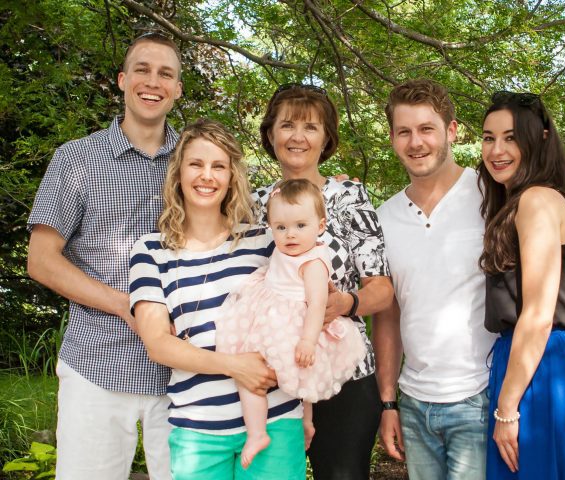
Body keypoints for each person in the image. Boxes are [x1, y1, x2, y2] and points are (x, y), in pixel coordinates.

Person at [373, 79, 565, 480]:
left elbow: (547, 273)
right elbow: (388, 313)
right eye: (404, 131)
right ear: (393, 138)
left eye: (427, 128)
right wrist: (388, 403)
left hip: (485, 393)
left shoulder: (493, 194)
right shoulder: (383, 218)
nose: (416, 142)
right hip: (416, 400)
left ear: (451, 131)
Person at [26, 32, 183, 480]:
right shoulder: (76, 159)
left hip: (184, 371)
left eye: (165, 74)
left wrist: (314, 184)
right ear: (122, 80)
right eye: (142, 70)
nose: (152, 81)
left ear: (177, 89)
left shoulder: (196, 161)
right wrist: (126, 304)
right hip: (97, 364)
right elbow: (41, 260)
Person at [129, 119, 306, 479]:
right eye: (196, 164)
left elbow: (307, 294)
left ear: (231, 178)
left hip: (276, 419)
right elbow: (159, 344)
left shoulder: (265, 242)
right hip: (198, 428)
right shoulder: (151, 251)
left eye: (218, 166)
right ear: (178, 173)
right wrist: (234, 365)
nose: (206, 176)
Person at [254, 83, 394, 479]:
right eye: (287, 125)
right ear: (270, 134)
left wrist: (344, 304)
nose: (298, 137)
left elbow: (381, 290)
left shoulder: (348, 196)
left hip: (342, 372)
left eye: (311, 127)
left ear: (326, 138)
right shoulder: (252, 202)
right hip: (273, 373)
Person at [479, 91, 565, 479]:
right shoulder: (524, 201)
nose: (497, 149)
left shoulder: (536, 200)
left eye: (510, 137)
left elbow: (539, 315)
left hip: (541, 369)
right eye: (489, 137)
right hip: (541, 363)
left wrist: (507, 409)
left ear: (539, 139)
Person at [216, 178, 366, 468]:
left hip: (294, 328)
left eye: (300, 226)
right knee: (272, 375)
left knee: (258, 376)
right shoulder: (283, 250)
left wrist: (308, 340)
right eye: (281, 227)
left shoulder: (313, 262)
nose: (290, 235)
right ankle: (303, 423)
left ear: (320, 226)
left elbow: (317, 305)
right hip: (269, 313)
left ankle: (258, 433)